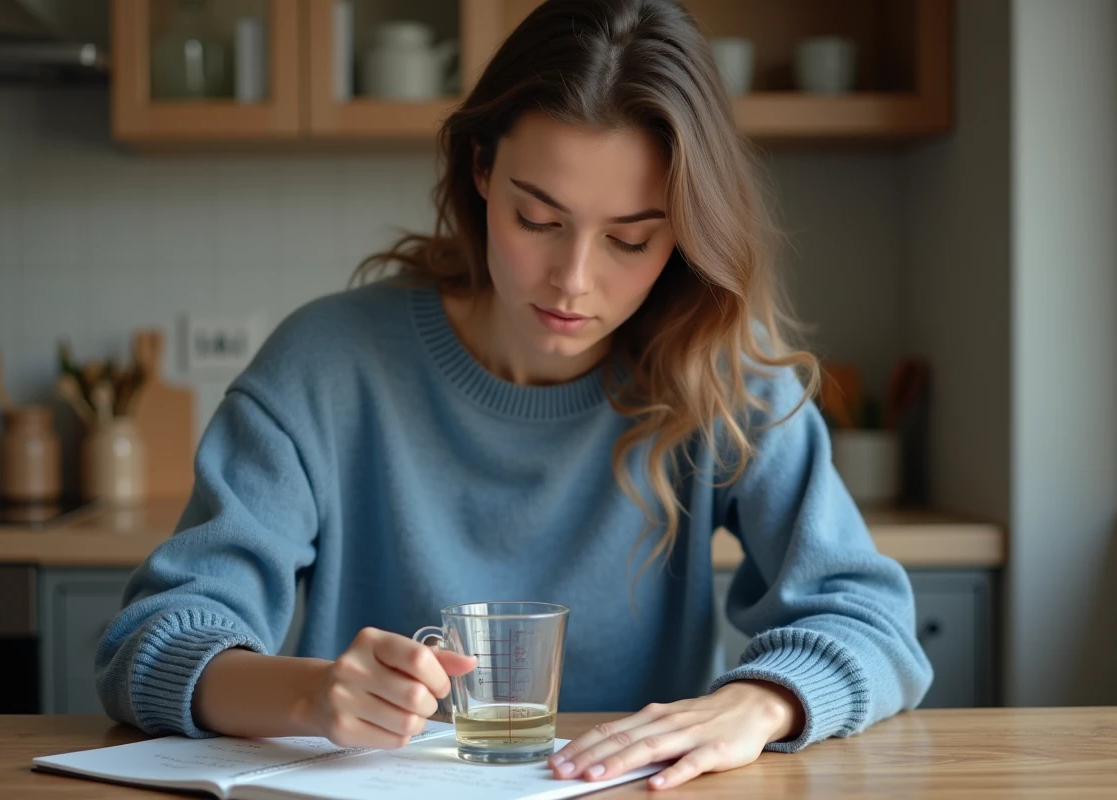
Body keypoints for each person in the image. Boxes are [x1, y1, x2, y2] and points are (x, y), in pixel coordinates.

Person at [96, 0, 933, 790]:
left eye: (630, 240)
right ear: (482, 171)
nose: (574, 281)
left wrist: (753, 705)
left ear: (683, 235)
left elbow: (873, 621)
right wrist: (310, 696)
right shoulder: (324, 366)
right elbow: (147, 644)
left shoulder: (722, 379)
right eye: (539, 221)